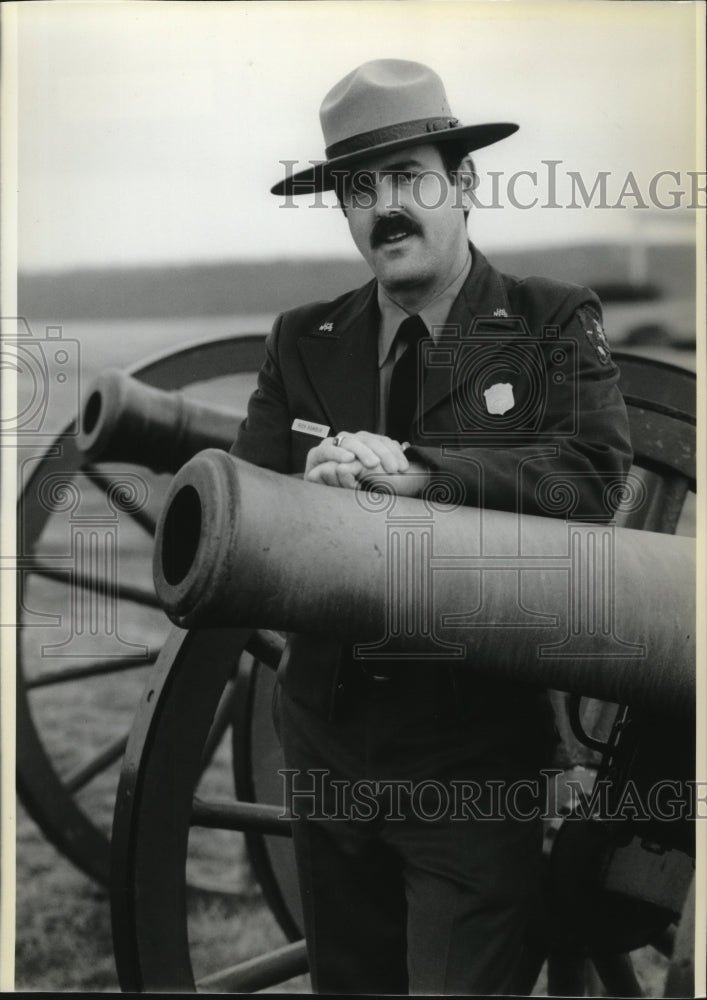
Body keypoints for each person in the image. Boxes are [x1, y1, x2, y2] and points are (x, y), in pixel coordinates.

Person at [233, 59, 632, 995]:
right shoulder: (303, 337)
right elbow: (248, 503)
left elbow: (586, 476)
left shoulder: (545, 321)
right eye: (359, 190)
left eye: (409, 177)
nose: (386, 209)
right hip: (328, 743)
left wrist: (422, 474)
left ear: (463, 183)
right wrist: (307, 480)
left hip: (468, 749)